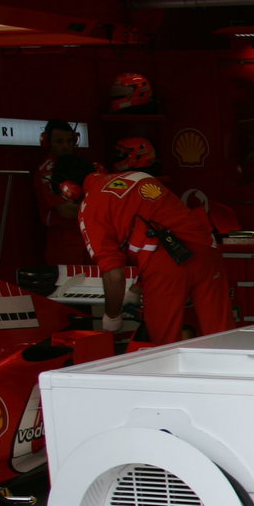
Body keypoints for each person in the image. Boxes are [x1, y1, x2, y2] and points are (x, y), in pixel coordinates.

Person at [52, 153, 233, 345]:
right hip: (206, 250)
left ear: (68, 189)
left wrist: (112, 317)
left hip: (165, 265)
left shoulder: (90, 206)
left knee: (165, 346)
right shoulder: (136, 176)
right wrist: (137, 289)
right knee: (222, 336)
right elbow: (163, 224)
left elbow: (114, 274)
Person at [33, 120, 91, 265]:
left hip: (88, 234)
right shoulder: (47, 171)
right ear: (47, 142)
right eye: (59, 141)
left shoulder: (83, 165)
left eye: (69, 141)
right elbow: (67, 211)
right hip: (63, 237)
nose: (65, 146)